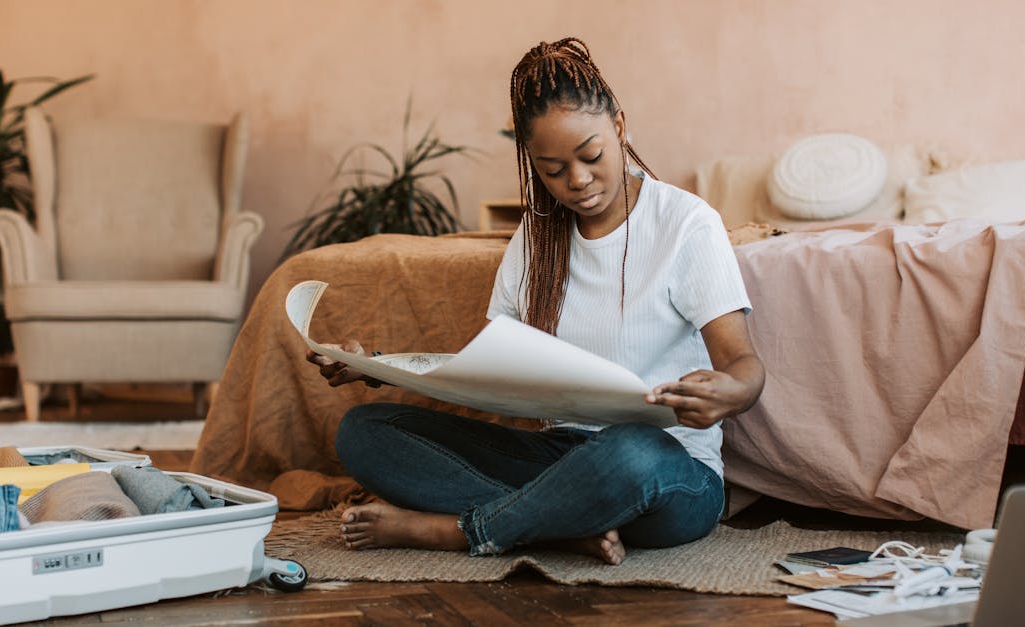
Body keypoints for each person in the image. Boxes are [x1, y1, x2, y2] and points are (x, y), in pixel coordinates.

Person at [306, 37, 765, 565]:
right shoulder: (535, 238)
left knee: (633, 449)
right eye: (552, 169)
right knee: (365, 432)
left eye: (591, 156)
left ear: (619, 126)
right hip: (557, 457)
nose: (578, 181)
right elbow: (488, 370)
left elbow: (744, 366)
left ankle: (461, 530)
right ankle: (556, 527)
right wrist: (376, 367)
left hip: (669, 473)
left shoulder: (685, 224)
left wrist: (729, 391)